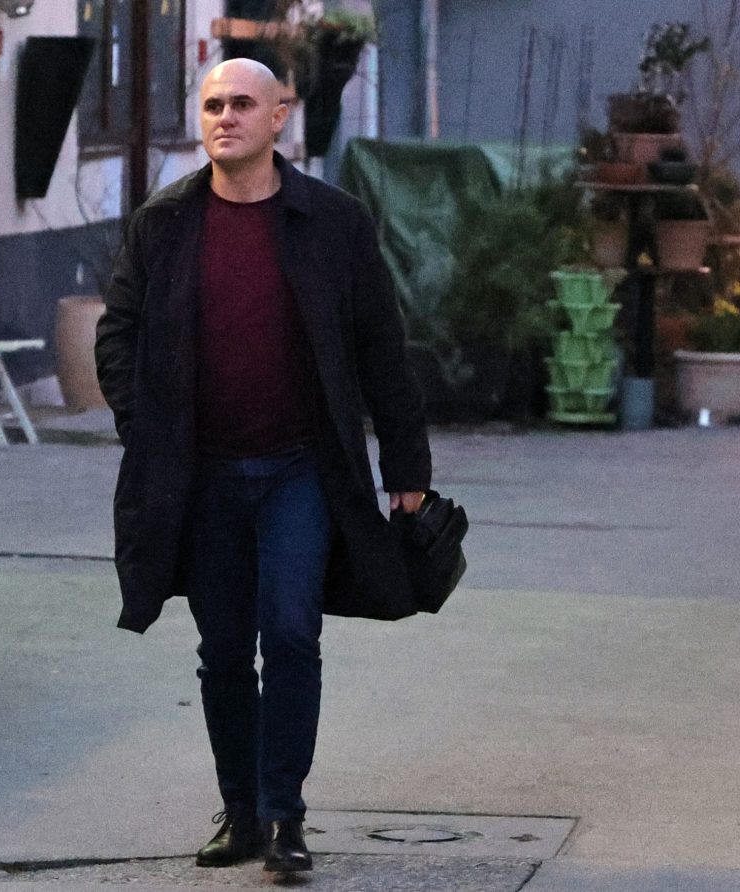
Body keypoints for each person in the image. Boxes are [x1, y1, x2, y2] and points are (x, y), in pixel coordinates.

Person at [95, 58, 431, 874]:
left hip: (301, 469)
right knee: (222, 649)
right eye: (213, 104)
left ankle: (285, 816)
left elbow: (381, 346)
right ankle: (240, 812)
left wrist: (406, 463)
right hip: (204, 475)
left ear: (280, 116)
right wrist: (147, 428)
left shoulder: (333, 222)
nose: (225, 117)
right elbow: (118, 332)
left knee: (289, 632)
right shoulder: (165, 224)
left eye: (243, 104)